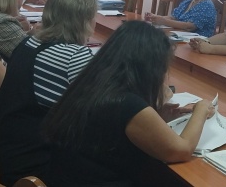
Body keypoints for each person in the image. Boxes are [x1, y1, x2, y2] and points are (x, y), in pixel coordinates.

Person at [41, 20, 215, 187]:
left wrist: (155, 116)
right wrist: (201, 110)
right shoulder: (127, 104)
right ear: (149, 68)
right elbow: (182, 150)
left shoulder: (92, 83)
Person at [0, 0, 99, 187]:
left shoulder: (28, 43)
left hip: (6, 152)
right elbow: (106, 112)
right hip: (32, 168)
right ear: (85, 20)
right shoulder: (73, 56)